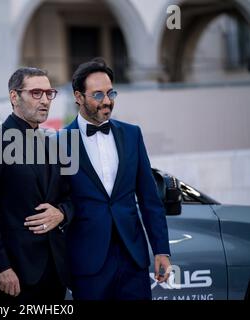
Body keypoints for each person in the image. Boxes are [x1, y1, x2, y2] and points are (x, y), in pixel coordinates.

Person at [64, 58, 171, 300]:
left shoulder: (132, 134)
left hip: (133, 259)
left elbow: (149, 198)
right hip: (88, 263)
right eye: (98, 95)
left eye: (111, 92)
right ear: (78, 97)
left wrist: (161, 249)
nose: (108, 101)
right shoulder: (60, 142)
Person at [0, 67, 73, 302]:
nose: (45, 101)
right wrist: (2, 268)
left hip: (56, 271)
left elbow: (70, 197)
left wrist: (61, 214)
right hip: (15, 275)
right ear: (14, 96)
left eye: (49, 94)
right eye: (36, 93)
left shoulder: (52, 143)